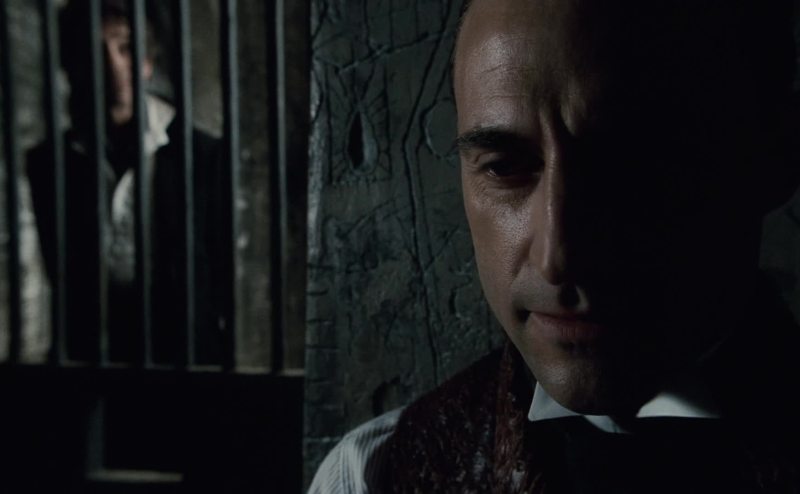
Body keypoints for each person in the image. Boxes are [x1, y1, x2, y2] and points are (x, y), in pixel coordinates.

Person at [309, 0, 800, 492]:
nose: (557, 257)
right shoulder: (369, 478)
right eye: (503, 166)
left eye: (632, 163)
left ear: (777, 160)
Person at [26, 0, 228, 363]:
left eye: (126, 48)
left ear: (148, 61)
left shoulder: (201, 154)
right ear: (71, 66)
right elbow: (63, 276)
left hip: (185, 355)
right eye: (93, 51)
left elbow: (220, 273)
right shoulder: (48, 164)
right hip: (91, 356)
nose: (113, 65)